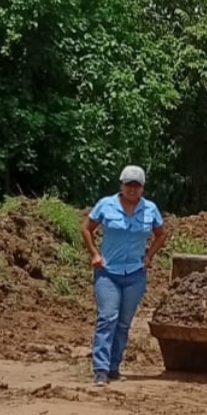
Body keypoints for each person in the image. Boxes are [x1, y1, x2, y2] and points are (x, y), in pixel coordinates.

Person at [81, 165, 168, 387]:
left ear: (142, 188)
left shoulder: (150, 209)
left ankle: (114, 367)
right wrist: (95, 254)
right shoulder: (106, 205)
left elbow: (160, 234)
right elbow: (87, 228)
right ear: (121, 185)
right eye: (128, 184)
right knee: (107, 317)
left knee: (123, 323)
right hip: (108, 273)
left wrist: (149, 256)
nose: (132, 189)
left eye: (136, 185)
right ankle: (100, 370)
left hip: (135, 274)